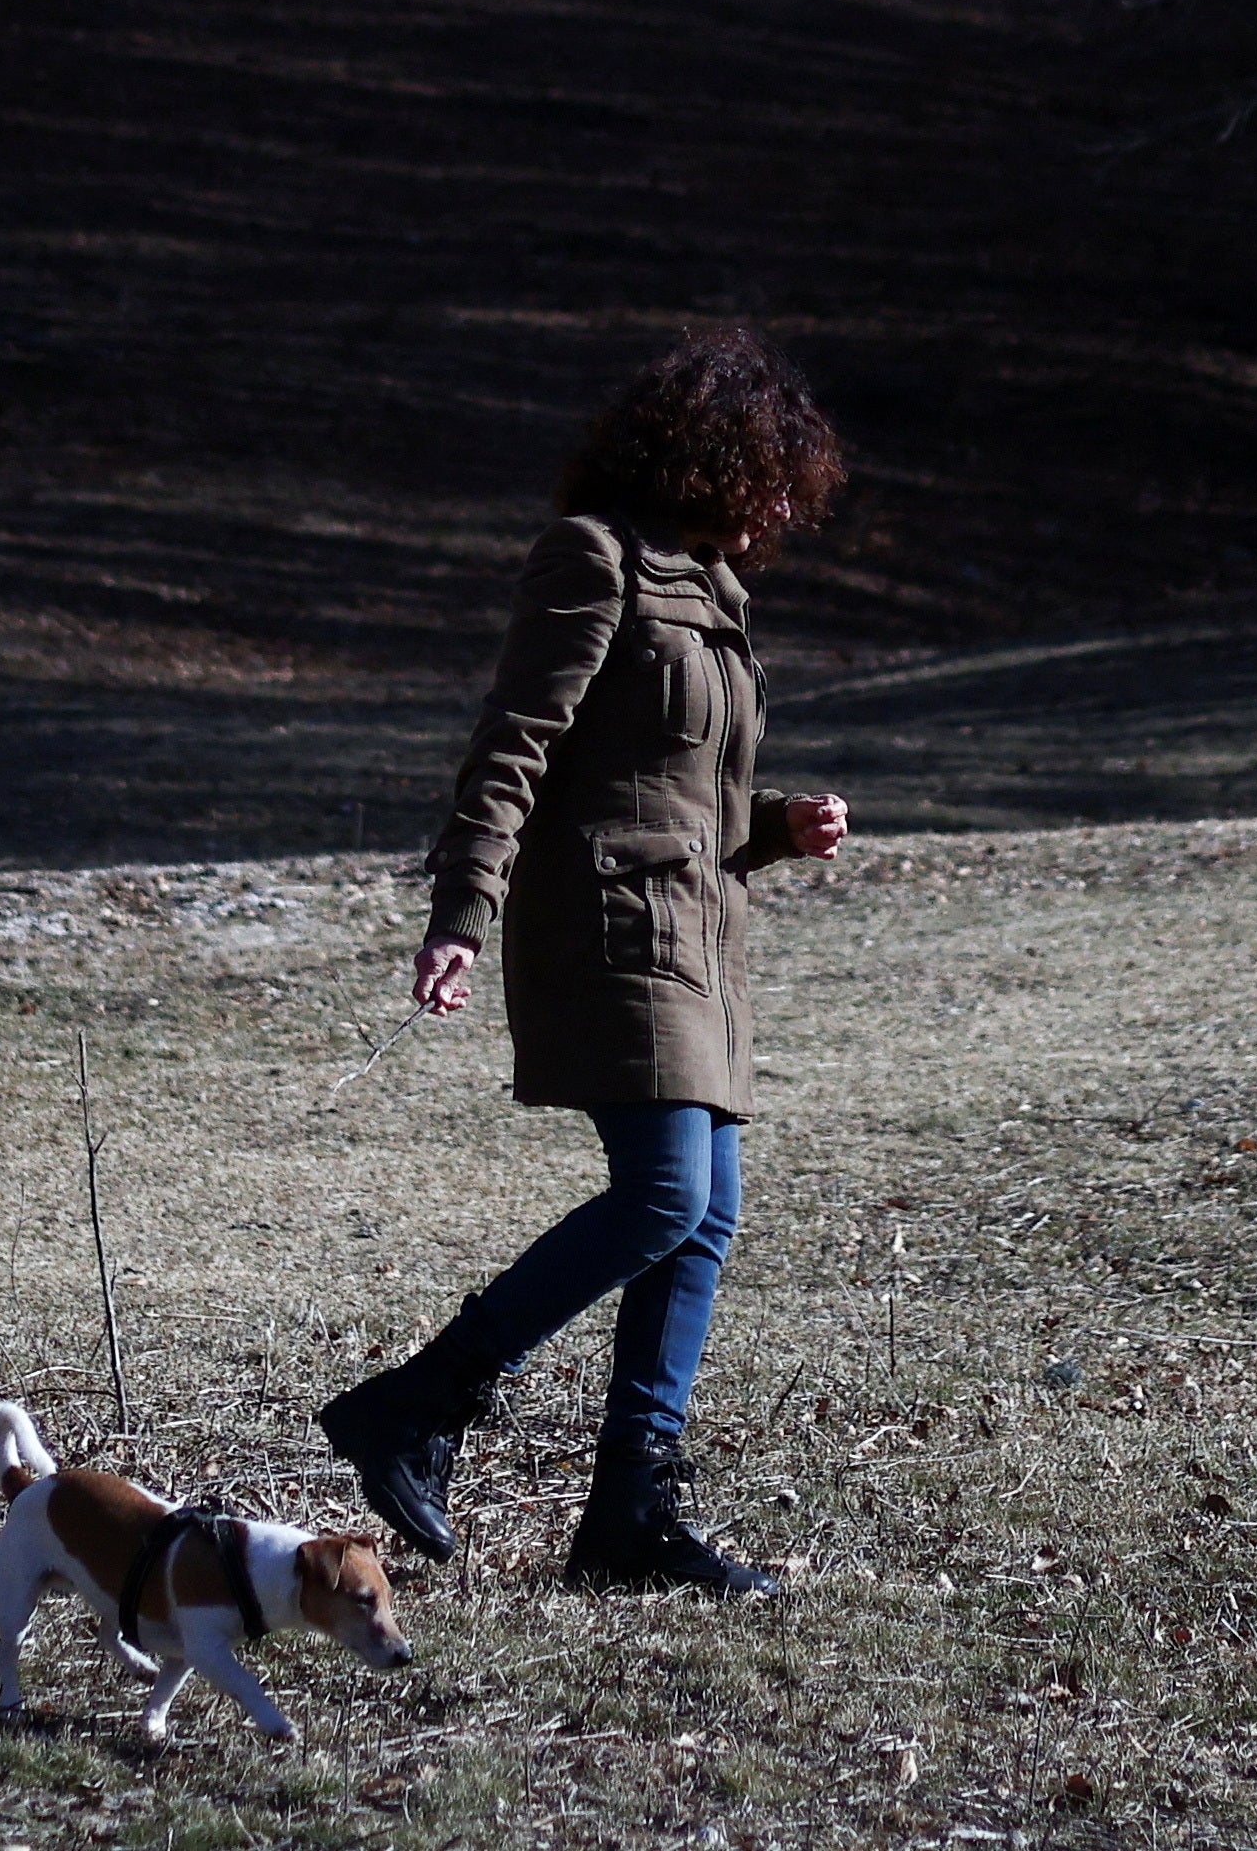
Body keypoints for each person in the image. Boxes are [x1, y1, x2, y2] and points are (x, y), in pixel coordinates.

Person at [313, 326, 854, 1596]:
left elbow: (686, 791)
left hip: (705, 933)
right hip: (611, 925)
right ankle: (419, 1400)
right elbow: (514, 747)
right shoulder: (593, 558)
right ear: (703, 454)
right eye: (768, 471)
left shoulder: (716, 594)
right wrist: (461, 911)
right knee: (666, 1193)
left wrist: (776, 826)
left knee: (703, 1215)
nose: (782, 504)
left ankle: (626, 1517)